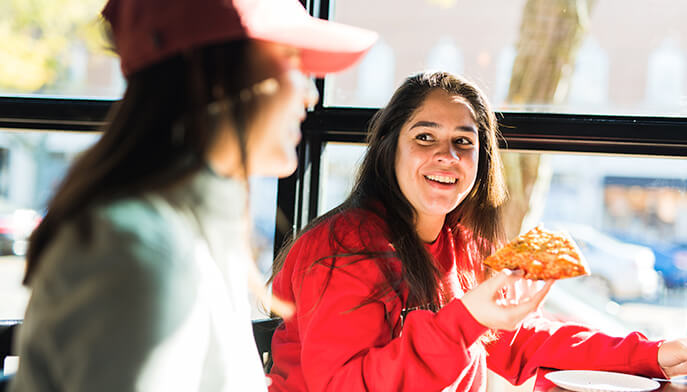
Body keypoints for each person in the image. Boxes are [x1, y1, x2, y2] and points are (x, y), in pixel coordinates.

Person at [8, 0, 376, 391]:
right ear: (218, 73)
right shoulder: (137, 250)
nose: (309, 96)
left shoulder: (189, 231)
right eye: (290, 59)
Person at [267, 71, 687, 391]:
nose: (446, 156)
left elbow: (520, 340)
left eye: (463, 142)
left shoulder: (464, 243)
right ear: (389, 148)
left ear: (481, 161)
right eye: (425, 137)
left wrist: (652, 355)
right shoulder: (346, 247)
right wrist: (466, 320)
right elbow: (343, 385)